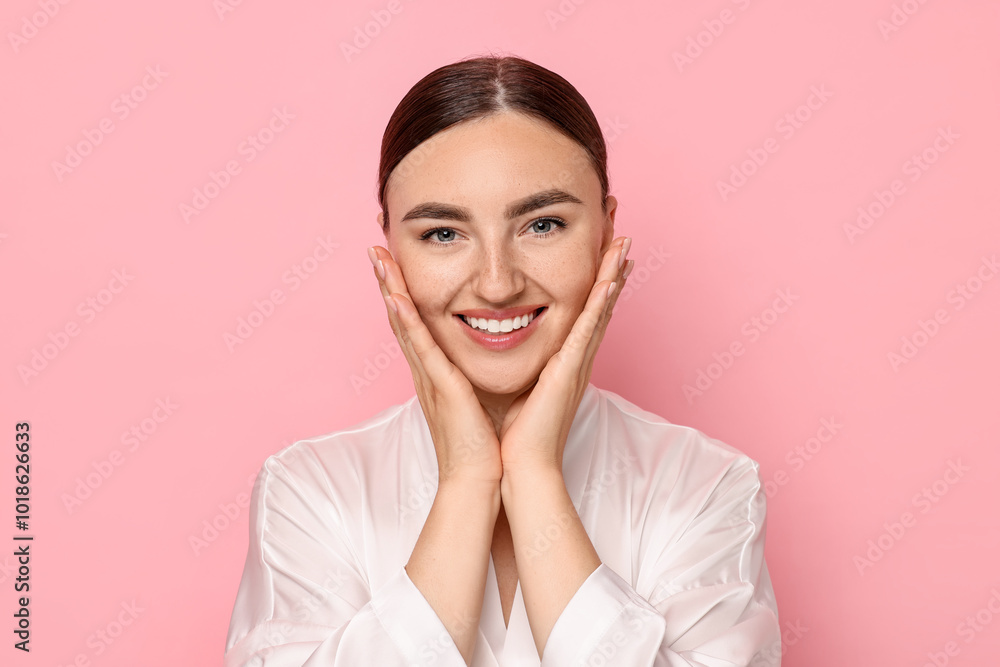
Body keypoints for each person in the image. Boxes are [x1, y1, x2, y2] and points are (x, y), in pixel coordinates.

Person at [224, 54, 780, 667]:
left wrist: (535, 473)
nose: (496, 285)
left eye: (542, 225)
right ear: (390, 252)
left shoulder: (704, 486)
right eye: (442, 233)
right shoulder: (311, 491)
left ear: (605, 233)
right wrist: (467, 481)